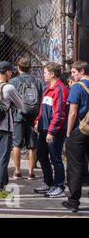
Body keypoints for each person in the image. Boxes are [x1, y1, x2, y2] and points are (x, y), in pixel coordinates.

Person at [0, 61, 23, 199]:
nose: (12, 74)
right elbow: (21, 104)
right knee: (3, 159)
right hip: (4, 128)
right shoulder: (9, 88)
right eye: (11, 72)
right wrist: (9, 105)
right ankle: (0, 189)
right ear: (7, 72)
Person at [33, 62, 69, 198]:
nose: (44, 75)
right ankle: (48, 182)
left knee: (56, 158)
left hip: (54, 132)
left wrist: (51, 131)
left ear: (52, 74)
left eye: (46, 72)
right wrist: (38, 121)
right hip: (43, 130)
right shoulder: (47, 88)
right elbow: (43, 109)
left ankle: (59, 186)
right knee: (42, 156)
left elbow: (59, 114)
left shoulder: (60, 90)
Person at [8, 57, 43, 180]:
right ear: (30, 68)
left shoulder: (13, 82)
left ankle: (17, 171)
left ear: (18, 68)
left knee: (16, 144)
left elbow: (8, 99)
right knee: (32, 146)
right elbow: (40, 99)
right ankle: (31, 172)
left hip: (18, 116)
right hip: (33, 117)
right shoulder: (38, 81)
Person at [62, 61, 89, 212]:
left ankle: (73, 201)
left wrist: (68, 132)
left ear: (82, 71)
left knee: (75, 166)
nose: (72, 75)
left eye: (73, 72)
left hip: (80, 130)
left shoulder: (77, 87)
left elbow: (72, 112)